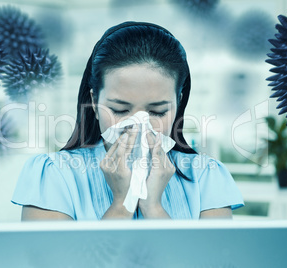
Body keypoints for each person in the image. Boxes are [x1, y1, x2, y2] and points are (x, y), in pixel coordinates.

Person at [12, 21, 244, 221]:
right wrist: (122, 204)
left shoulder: (207, 178)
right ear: (94, 101)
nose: (138, 125)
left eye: (158, 112)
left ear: (178, 103)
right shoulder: (54, 176)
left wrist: (153, 208)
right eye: (119, 109)